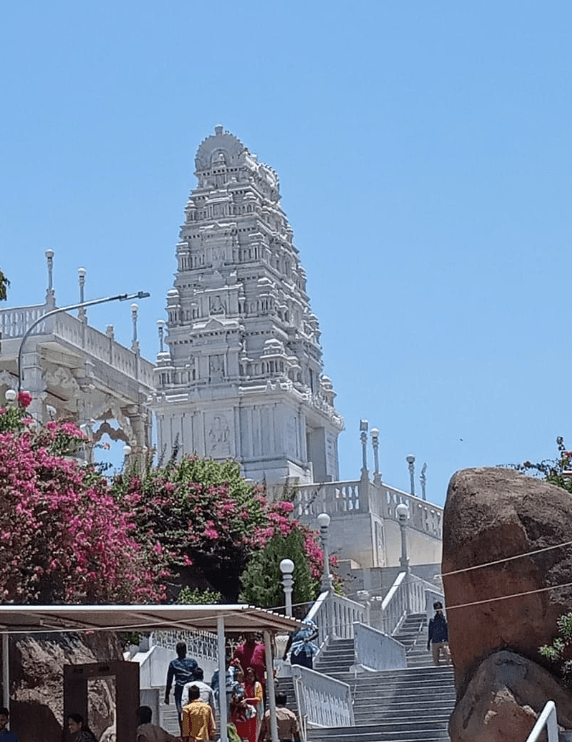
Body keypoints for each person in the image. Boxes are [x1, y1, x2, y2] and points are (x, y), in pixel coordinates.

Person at [164, 641, 199, 719]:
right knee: (193, 710)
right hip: (191, 689)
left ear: (176, 651)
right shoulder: (193, 662)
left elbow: (169, 679)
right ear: (186, 651)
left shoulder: (173, 663)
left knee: (180, 712)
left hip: (179, 689)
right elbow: (197, 676)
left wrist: (167, 695)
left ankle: (182, 731)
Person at [427, 601, 451, 666]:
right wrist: (428, 642)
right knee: (435, 659)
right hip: (435, 641)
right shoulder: (432, 620)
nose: (438, 609)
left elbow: (448, 630)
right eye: (436, 608)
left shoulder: (445, 619)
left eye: (439, 607)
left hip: (444, 640)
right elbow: (430, 631)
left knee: (448, 655)